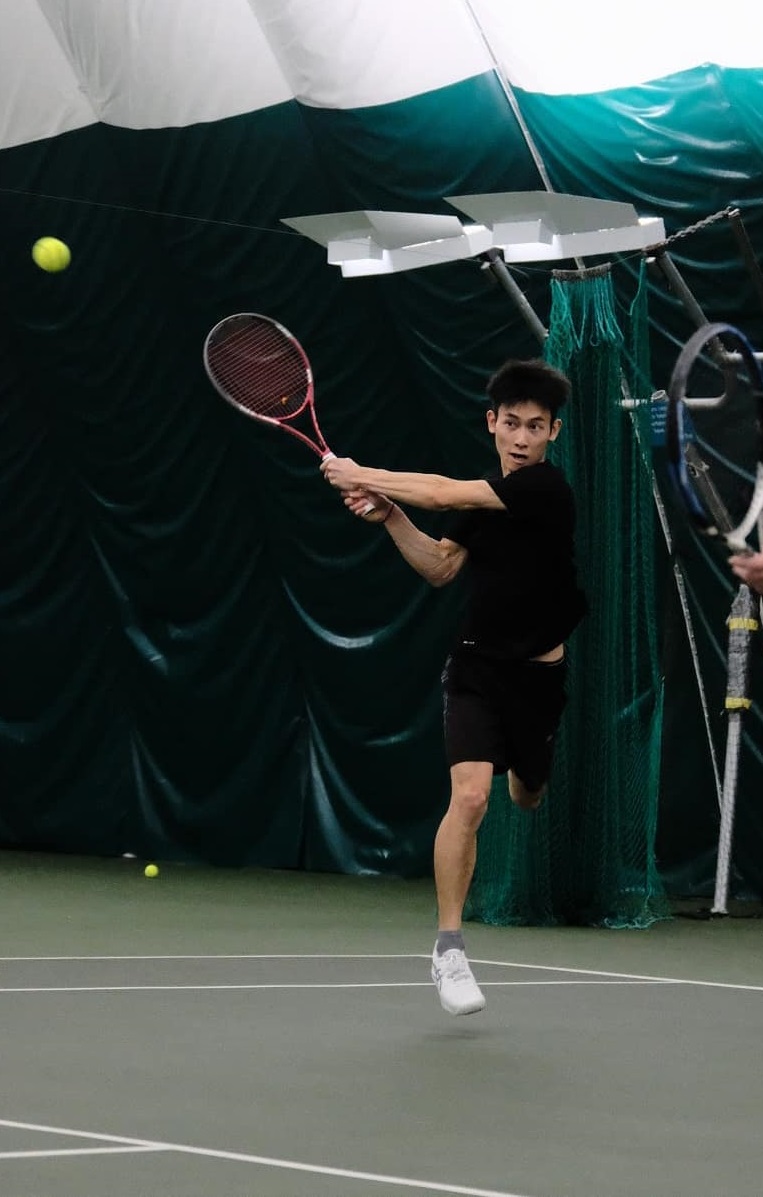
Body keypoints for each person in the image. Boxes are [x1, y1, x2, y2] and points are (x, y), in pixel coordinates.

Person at [321, 359, 587, 1017]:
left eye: (535, 426)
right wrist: (387, 515)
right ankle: (448, 946)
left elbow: (440, 493)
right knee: (469, 796)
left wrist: (359, 474)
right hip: (474, 668)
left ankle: (529, 773)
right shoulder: (483, 496)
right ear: (491, 423)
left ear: (552, 432)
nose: (521, 438)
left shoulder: (545, 490)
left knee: (525, 794)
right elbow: (438, 566)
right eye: (511, 424)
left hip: (538, 679)